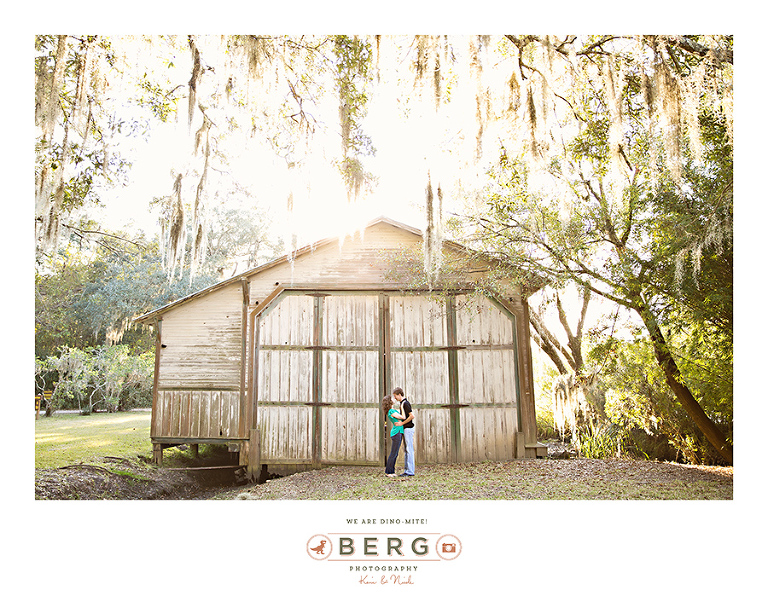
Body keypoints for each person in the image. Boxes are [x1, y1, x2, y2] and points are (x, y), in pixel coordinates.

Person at [392, 387, 415, 477]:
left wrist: (402, 423)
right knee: (406, 450)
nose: (395, 398)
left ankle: (410, 471)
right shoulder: (402, 403)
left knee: (409, 449)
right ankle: (407, 470)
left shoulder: (405, 403)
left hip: (408, 428)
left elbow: (411, 416)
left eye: (395, 396)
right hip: (405, 429)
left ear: (399, 394)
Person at [383, 395, 405, 477]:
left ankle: (391, 471)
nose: (394, 399)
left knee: (395, 453)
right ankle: (389, 472)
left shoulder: (392, 411)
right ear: (390, 402)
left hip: (398, 432)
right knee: (393, 453)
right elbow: (403, 417)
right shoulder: (391, 411)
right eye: (392, 398)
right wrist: (402, 407)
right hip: (396, 433)